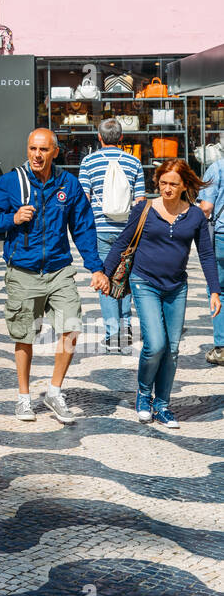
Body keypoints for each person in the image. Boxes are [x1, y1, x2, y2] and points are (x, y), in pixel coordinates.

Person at [0, 129, 109, 424]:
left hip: (59, 269)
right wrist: (12, 218)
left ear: (55, 152)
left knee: (71, 329)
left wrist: (96, 267)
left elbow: (84, 228)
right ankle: (24, 398)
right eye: (32, 148)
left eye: (43, 149)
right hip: (23, 271)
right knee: (24, 337)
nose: (37, 154)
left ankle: (54, 391)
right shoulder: (12, 181)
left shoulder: (68, 184)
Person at [102, 159, 220, 428]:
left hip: (177, 287)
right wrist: (103, 273)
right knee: (155, 344)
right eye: (163, 183)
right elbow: (122, 241)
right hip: (145, 283)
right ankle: (144, 395)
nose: (166, 189)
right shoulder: (145, 209)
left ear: (184, 186)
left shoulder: (194, 216)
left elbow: (206, 254)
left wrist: (215, 290)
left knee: (173, 349)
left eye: (173, 184)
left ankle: (163, 405)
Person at [78, 118, 145, 352]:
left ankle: (112, 334)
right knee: (124, 278)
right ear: (121, 138)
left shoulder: (88, 162)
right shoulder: (134, 162)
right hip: (127, 232)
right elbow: (140, 202)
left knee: (104, 279)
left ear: (99, 137)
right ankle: (126, 329)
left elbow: (83, 199)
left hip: (100, 229)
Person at [198, 141, 224, 365]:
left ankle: (221, 348)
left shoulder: (217, 168)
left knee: (218, 289)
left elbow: (206, 207)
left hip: (223, 236)